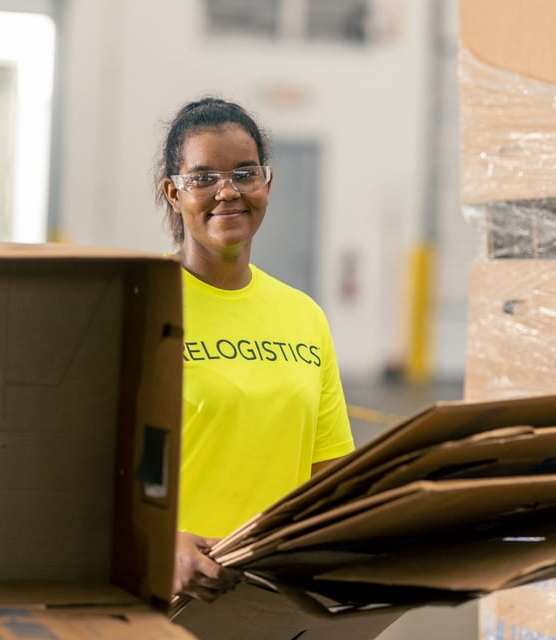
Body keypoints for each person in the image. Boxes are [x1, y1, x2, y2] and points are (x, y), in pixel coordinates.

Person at [154, 96, 355, 604]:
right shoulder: (137, 303)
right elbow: (82, 470)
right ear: (173, 194)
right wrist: (157, 547)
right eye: (202, 178)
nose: (227, 192)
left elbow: (327, 473)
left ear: (267, 184)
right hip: (167, 596)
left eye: (245, 173)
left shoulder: (304, 316)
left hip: (271, 597)